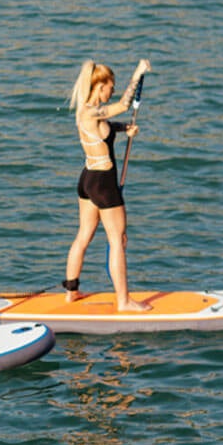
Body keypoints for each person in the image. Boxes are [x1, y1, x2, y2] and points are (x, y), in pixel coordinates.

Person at [63, 58, 152, 312]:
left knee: (84, 235)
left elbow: (106, 126)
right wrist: (138, 72)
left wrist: (125, 129)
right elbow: (124, 105)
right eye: (110, 87)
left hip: (87, 180)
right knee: (117, 239)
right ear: (99, 86)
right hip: (103, 183)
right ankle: (124, 302)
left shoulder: (85, 111)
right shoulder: (93, 111)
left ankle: (71, 292)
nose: (112, 92)